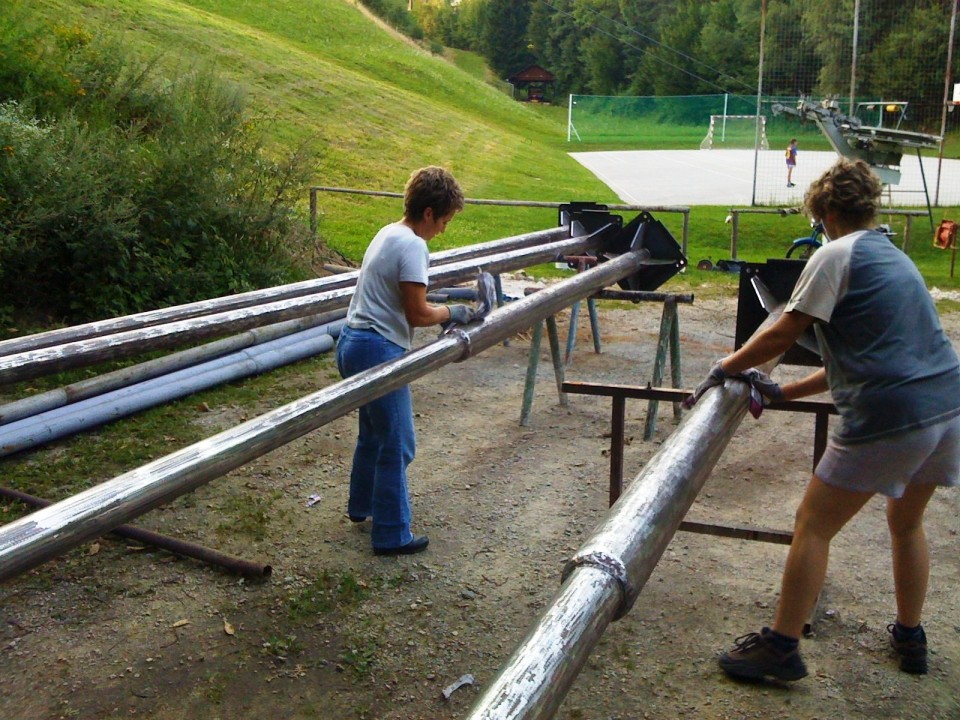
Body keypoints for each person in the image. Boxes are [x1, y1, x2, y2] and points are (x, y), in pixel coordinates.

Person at [688, 159, 960, 681]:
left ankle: (782, 647)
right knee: (907, 523)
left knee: (813, 525)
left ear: (827, 212)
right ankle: (910, 635)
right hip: (945, 407)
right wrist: (785, 391)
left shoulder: (835, 254)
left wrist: (724, 366)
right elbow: (861, 358)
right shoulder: (894, 256)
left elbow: (781, 333)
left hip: (893, 412)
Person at [335, 166, 475, 556]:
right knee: (399, 443)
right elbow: (416, 314)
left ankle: (361, 506)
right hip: (377, 349)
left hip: (352, 342)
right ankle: (392, 533)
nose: (444, 230)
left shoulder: (388, 232)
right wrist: (453, 314)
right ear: (429, 213)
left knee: (373, 433)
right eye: (444, 220)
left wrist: (442, 305)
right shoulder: (414, 245)